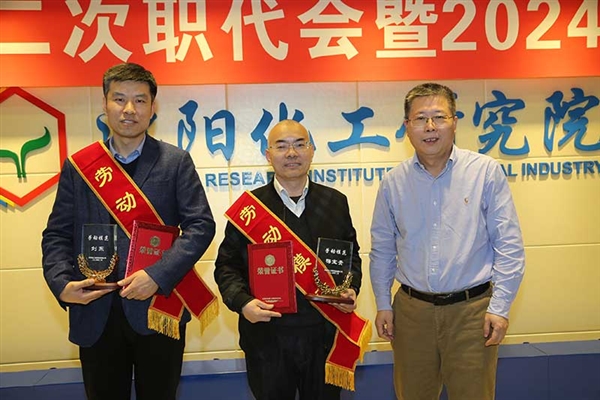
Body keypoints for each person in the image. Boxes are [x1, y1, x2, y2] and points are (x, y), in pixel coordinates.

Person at [42, 63, 216, 400]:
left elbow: (201, 226)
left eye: (140, 100)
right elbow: (56, 234)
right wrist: (61, 283)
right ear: (104, 104)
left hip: (158, 306)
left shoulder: (175, 161)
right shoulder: (80, 166)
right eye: (119, 99)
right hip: (95, 310)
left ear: (153, 107)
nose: (129, 109)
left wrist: (156, 275)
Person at [369, 82, 525, 400]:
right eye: (420, 118)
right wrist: (383, 303)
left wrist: (500, 308)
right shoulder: (393, 182)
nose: (430, 127)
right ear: (407, 126)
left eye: (439, 117)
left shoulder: (485, 172)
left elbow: (508, 246)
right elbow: (382, 249)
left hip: (473, 313)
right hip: (412, 313)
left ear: (454, 122)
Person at [214, 119, 369, 400]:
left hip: (323, 334)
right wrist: (243, 302)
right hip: (267, 336)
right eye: (282, 146)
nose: (292, 153)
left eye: (300, 144)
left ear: (311, 151)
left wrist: (350, 288)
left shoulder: (335, 202)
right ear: (268, 154)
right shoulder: (250, 209)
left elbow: (350, 258)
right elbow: (226, 266)